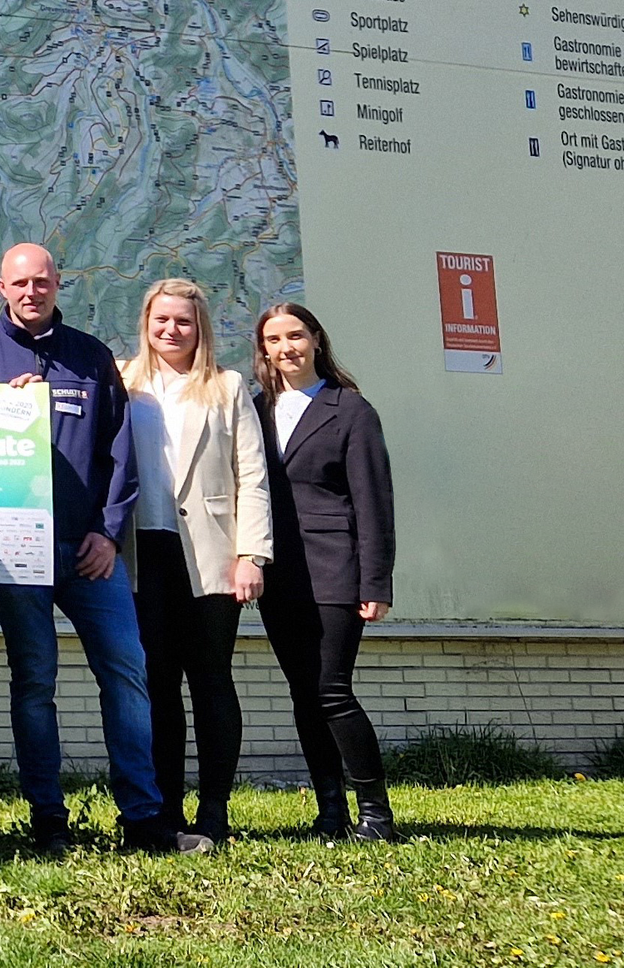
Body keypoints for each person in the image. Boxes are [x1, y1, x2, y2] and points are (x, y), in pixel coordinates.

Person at [0, 244, 208, 855]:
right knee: (34, 682)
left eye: (42, 281)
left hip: (89, 552)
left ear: (57, 284)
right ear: (1, 288)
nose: (31, 292)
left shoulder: (90, 357)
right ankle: (48, 820)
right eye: (20, 283)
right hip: (13, 554)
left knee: (127, 673)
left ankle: (143, 818)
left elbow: (120, 453)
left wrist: (108, 532)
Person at [121, 279, 273, 844]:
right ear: (147, 322)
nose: (171, 330)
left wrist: (252, 554)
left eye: (183, 321)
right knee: (156, 684)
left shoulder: (227, 386)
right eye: (161, 320)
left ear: (199, 326)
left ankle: (214, 809)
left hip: (212, 554)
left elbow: (252, 476)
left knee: (209, 679)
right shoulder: (125, 381)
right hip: (144, 553)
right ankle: (164, 809)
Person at [253, 302, 398, 843]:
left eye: (296, 335)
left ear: (315, 339)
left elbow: (374, 502)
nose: (286, 347)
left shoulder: (351, 410)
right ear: (263, 349)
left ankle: (376, 816)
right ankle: (330, 813)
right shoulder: (257, 409)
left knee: (333, 691)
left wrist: (375, 583)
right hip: (281, 576)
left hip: (337, 571)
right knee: (303, 694)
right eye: (274, 339)